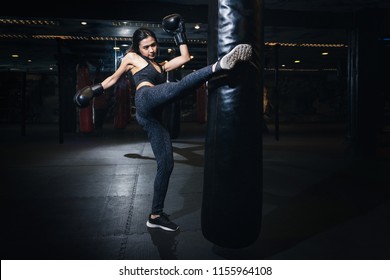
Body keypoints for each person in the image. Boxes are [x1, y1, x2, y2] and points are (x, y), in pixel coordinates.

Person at [74, 14, 253, 231]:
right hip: (145, 99)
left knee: (166, 164)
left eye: (153, 45)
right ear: (138, 48)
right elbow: (114, 77)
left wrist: (180, 34)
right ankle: (219, 66)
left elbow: (185, 58)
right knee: (178, 86)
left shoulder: (160, 65)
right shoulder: (132, 58)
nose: (151, 50)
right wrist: (93, 90)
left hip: (152, 117)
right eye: (146, 47)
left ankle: (155, 215)